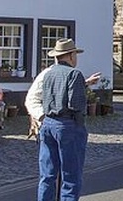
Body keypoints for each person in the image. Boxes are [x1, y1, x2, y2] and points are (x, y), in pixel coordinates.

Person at [37, 39, 93, 201]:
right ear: (70, 55)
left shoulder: (48, 73)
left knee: (47, 175)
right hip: (67, 125)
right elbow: (75, 104)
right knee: (70, 176)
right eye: (75, 54)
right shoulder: (74, 74)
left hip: (47, 123)